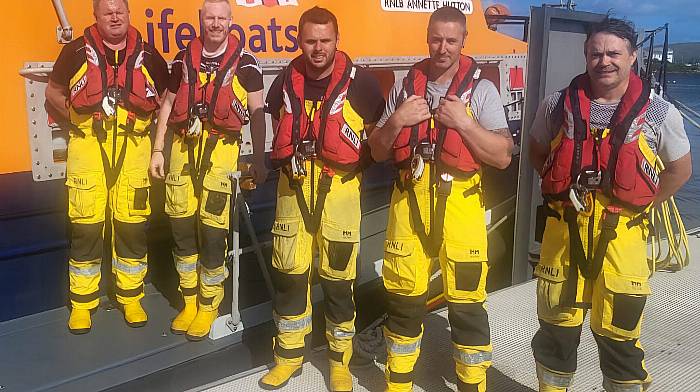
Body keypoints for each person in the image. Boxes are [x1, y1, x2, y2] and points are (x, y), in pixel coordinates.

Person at [528, 17, 692, 392]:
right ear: (586, 56)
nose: (605, 61)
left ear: (632, 56)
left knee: (621, 343)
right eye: (596, 53)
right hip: (564, 239)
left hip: (623, 241)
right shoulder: (556, 105)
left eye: (614, 53)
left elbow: (680, 171)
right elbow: (539, 153)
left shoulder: (658, 113)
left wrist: (640, 202)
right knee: (555, 337)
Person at [368, 6, 514, 392]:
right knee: (402, 304)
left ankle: (471, 386)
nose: (442, 48)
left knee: (467, 308)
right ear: (427, 38)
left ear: (464, 40)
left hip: (461, 206)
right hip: (409, 205)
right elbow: (379, 151)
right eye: (436, 38)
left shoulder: (481, 89)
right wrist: (398, 120)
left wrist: (465, 123)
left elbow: (501, 156)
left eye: (451, 40)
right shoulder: (405, 86)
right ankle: (397, 384)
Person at [259, 6, 385, 391]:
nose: (317, 49)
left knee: (338, 283)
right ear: (300, 40)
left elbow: (377, 136)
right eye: (310, 40)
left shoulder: (361, 83)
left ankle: (339, 364)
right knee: (290, 278)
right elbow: (272, 120)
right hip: (292, 190)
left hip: (340, 193)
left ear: (337, 40)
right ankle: (288, 358)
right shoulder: (285, 78)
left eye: (325, 40)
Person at [45, 0, 169, 334]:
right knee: (86, 227)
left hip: (135, 148)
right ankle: (83, 305)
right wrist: (77, 122)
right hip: (88, 146)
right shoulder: (73, 52)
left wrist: (156, 144)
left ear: (128, 15)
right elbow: (53, 93)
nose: (114, 16)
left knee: (131, 225)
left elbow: (167, 100)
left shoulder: (151, 57)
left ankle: (131, 297)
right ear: (96, 17)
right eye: (107, 12)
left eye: (120, 11)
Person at [149, 0, 267, 341]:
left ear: (231, 21)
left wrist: (258, 157)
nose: (215, 24)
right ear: (201, 21)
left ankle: (208, 303)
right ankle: (188, 301)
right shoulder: (183, 60)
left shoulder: (246, 65)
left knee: (214, 233)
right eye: (209, 18)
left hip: (221, 152)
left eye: (221, 18)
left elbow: (257, 112)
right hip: (182, 150)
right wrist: (158, 149)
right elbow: (168, 104)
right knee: (182, 228)